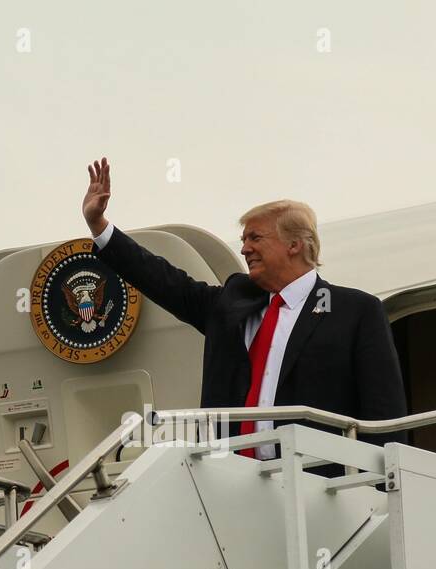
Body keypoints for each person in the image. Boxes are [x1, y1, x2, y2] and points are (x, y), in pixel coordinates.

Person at [82, 157, 406, 465]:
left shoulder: (355, 311)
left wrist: (382, 492)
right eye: (243, 239)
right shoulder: (232, 304)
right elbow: (164, 280)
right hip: (231, 481)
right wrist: (99, 226)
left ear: (294, 244)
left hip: (321, 487)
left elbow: (385, 417)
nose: (244, 248)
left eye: (255, 237)